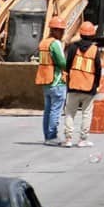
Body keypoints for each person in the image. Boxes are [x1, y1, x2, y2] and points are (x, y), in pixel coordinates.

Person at [63, 20, 102, 148]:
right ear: (92, 35)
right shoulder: (95, 50)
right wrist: (96, 85)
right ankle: (82, 140)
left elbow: (68, 65)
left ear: (80, 34)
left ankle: (68, 139)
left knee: (70, 113)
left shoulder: (73, 47)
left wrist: (68, 80)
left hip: (74, 85)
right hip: (88, 86)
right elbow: (98, 69)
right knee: (86, 113)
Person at [34, 16, 68, 146]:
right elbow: (61, 62)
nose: (62, 33)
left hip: (46, 82)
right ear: (57, 30)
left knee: (48, 111)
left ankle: (47, 136)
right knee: (55, 110)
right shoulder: (55, 44)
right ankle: (52, 136)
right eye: (61, 30)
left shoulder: (44, 43)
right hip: (57, 82)